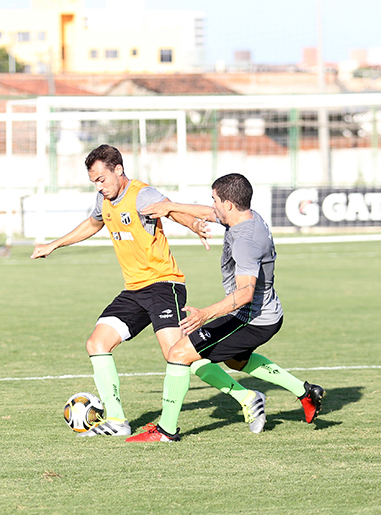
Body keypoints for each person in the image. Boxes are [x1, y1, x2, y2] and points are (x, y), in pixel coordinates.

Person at [31, 145, 264, 437]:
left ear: (118, 170)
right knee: (96, 344)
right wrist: (54, 244)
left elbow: (170, 209)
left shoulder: (142, 194)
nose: (99, 186)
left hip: (164, 285)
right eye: (94, 181)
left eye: (102, 178)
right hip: (134, 290)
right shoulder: (104, 200)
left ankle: (246, 397)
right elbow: (92, 224)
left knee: (178, 354)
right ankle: (116, 421)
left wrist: (193, 224)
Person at [126, 173, 325, 442]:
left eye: (215, 200)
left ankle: (166, 431)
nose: (213, 205)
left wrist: (205, 314)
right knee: (236, 359)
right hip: (261, 313)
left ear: (229, 204)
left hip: (253, 318)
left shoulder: (246, 241)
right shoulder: (246, 216)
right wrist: (170, 207)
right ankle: (305, 392)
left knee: (179, 353)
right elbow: (209, 214)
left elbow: (245, 293)